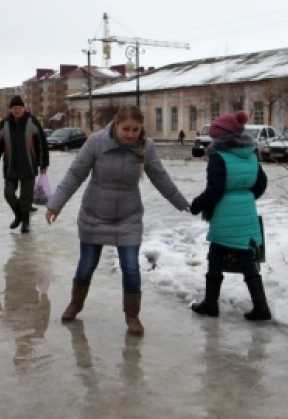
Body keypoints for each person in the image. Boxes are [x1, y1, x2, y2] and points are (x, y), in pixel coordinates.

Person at [45, 105, 190, 336]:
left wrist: (183, 203)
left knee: (131, 267)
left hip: (128, 217)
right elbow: (75, 174)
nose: (131, 134)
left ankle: (132, 316)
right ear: (115, 125)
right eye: (126, 129)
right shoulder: (96, 143)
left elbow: (161, 178)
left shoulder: (146, 147)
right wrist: (55, 204)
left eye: (135, 129)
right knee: (86, 266)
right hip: (94, 214)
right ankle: (76, 304)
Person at [188, 110, 271, 321]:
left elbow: (214, 190)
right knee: (245, 256)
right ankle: (261, 307)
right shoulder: (251, 154)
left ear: (220, 136)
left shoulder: (218, 157)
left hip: (225, 212)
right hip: (246, 210)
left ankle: (210, 303)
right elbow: (261, 184)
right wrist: (244, 197)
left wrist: (197, 205)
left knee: (215, 254)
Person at [0, 96, 49, 233]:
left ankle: (25, 224)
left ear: (24, 108)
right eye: (15, 108)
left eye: (20, 108)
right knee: (9, 194)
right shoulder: (4, 125)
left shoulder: (32, 122)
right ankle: (19, 215)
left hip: (29, 166)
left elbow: (42, 144)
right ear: (11, 109)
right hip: (11, 167)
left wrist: (43, 164)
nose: (17, 110)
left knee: (26, 198)